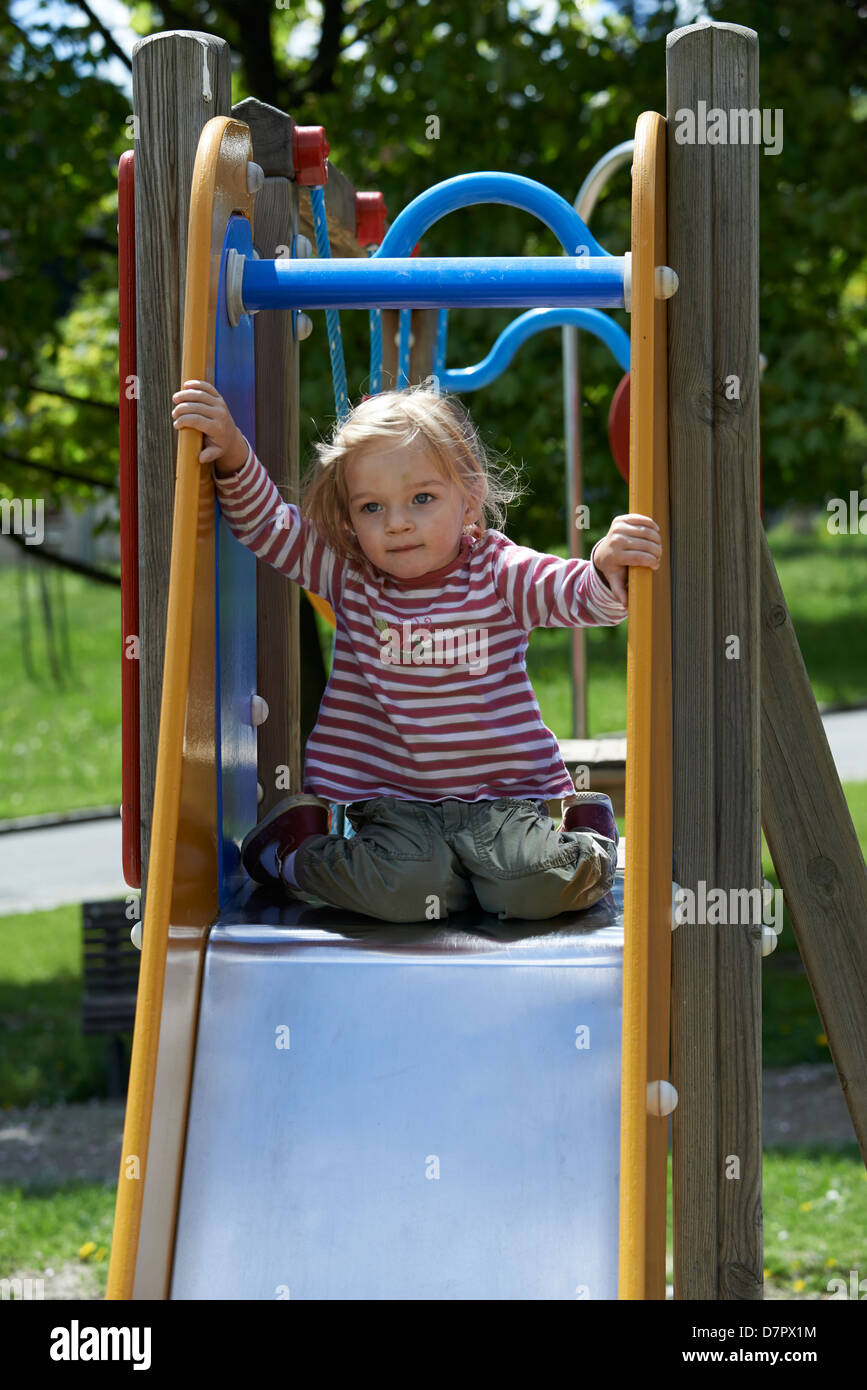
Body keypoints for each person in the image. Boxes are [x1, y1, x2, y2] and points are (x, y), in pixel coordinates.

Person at [171, 378, 662, 923]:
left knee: (533, 889)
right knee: (405, 894)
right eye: (372, 507)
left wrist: (606, 568)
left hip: (502, 801)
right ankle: (291, 853)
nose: (398, 522)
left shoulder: (499, 573)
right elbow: (270, 527)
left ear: (469, 496)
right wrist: (235, 453)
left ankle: (588, 837)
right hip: (393, 806)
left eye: (422, 499)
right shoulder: (349, 575)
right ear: (349, 518)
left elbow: (573, 593)